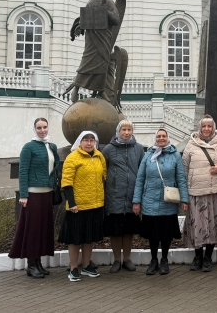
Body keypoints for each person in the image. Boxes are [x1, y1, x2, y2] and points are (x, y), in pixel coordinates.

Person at [181, 116, 217, 272]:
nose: (206, 129)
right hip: (196, 193)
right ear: (199, 128)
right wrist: (184, 194)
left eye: (209, 126)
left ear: (213, 128)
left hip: (214, 192)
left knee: (213, 225)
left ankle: (208, 257)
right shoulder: (191, 144)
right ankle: (197, 256)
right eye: (204, 126)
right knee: (197, 226)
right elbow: (184, 170)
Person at [9, 118, 60, 278]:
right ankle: (31, 265)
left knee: (43, 228)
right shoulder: (28, 147)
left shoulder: (52, 146)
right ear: (34, 129)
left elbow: (54, 168)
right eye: (39, 128)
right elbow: (23, 171)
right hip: (33, 194)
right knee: (33, 229)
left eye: (45, 127)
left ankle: (38, 263)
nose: (42, 130)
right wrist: (24, 194)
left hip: (47, 193)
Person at [133, 128, 189, 275]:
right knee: (153, 235)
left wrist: (184, 199)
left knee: (166, 234)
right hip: (149, 201)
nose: (161, 138)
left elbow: (181, 178)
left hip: (168, 201)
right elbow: (140, 179)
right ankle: (153, 261)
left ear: (168, 138)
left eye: (164, 136)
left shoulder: (175, 155)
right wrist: (136, 201)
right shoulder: (148, 155)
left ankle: (164, 260)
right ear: (155, 138)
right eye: (159, 136)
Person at [59, 131, 106, 282]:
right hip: (78, 206)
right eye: (86, 140)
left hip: (95, 204)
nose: (89, 143)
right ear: (80, 142)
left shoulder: (99, 156)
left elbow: (103, 178)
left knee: (89, 238)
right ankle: (74, 268)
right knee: (75, 238)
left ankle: (86, 266)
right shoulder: (72, 158)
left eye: (92, 140)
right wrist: (71, 202)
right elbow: (67, 182)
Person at [102, 120, 144, 273]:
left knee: (128, 230)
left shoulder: (138, 148)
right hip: (114, 196)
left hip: (132, 195)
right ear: (118, 131)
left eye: (129, 129)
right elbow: (103, 170)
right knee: (115, 230)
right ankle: (116, 260)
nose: (126, 132)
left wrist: (139, 196)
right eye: (123, 130)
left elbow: (142, 171)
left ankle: (127, 259)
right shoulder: (109, 149)